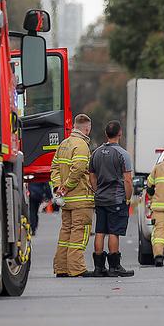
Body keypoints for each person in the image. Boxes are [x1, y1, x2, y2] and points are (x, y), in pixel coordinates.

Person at [50, 114, 95, 277]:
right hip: (81, 198)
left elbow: (54, 167)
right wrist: (67, 187)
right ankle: (77, 268)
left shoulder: (63, 144)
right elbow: (78, 170)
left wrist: (58, 187)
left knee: (65, 233)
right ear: (87, 128)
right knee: (79, 232)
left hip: (66, 200)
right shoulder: (82, 145)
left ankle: (61, 268)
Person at [89, 120, 134, 277]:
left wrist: (97, 191)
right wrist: (128, 198)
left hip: (100, 198)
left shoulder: (96, 153)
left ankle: (98, 267)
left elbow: (92, 176)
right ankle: (114, 266)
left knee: (100, 231)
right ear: (120, 133)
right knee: (114, 232)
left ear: (106, 134)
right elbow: (127, 180)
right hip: (116, 198)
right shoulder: (123, 154)